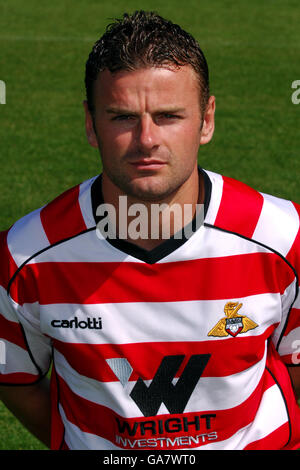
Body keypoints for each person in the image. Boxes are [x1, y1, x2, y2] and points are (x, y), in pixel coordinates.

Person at [0, 10, 300, 451]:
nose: (146, 139)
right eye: (122, 117)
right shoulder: (25, 257)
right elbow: (15, 377)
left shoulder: (282, 237)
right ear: (90, 122)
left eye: (168, 116)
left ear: (207, 119)